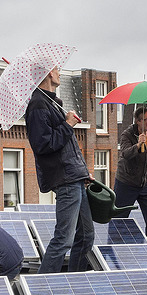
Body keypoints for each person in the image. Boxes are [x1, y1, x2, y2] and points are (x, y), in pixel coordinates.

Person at [24, 66, 95, 273]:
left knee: (86, 236)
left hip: (75, 177)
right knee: (64, 239)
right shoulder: (37, 105)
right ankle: (42, 286)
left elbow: (67, 147)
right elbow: (43, 145)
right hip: (64, 179)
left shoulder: (51, 103)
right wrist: (68, 125)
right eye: (57, 69)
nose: (60, 73)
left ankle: (74, 280)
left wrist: (83, 172)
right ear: (47, 74)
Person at [113, 106, 147, 243]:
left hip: (145, 184)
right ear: (138, 121)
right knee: (119, 220)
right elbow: (125, 154)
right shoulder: (127, 135)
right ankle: (115, 250)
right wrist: (138, 144)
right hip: (126, 183)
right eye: (146, 120)